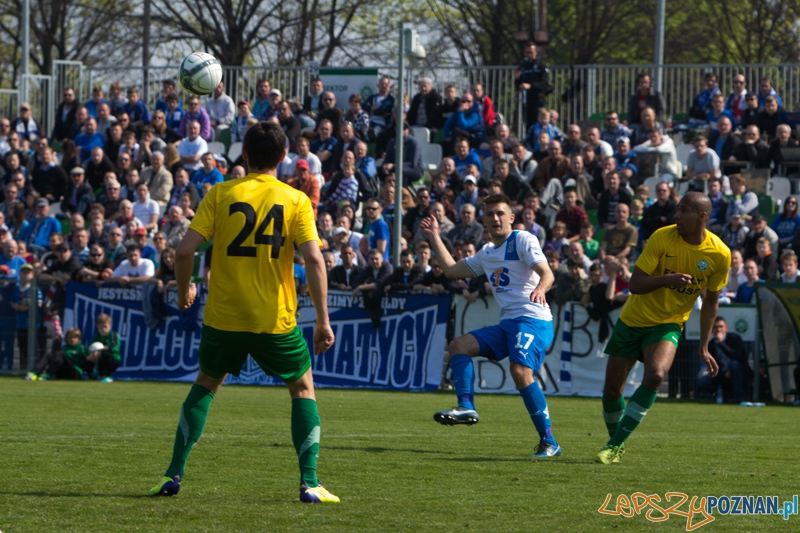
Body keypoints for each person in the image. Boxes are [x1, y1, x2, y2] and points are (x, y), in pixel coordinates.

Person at [148, 121, 338, 502]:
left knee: (205, 384)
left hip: (224, 317)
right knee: (302, 388)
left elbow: (184, 251)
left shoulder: (220, 193)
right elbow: (315, 260)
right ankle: (310, 482)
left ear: (245, 154)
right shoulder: (295, 199)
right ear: (284, 158)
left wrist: (185, 288)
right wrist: (322, 319)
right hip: (274, 319)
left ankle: (173, 474)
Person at [421, 193, 561, 457]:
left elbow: (547, 272)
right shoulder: (487, 253)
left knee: (520, 372)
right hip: (508, 324)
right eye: (489, 214)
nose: (495, 218)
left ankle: (549, 441)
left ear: (511, 218)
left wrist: (541, 288)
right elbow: (450, 270)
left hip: (533, 320)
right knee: (458, 345)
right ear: (483, 220)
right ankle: (465, 406)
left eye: (500, 213)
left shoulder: (522, 239)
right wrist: (434, 236)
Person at [595, 192, 731, 464]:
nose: (676, 216)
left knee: (656, 374)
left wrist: (704, 346)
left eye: (684, 211)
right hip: (633, 319)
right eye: (677, 209)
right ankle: (615, 443)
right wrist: (668, 279)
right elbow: (635, 284)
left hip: (668, 323)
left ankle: (615, 445)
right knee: (612, 391)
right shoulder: (661, 236)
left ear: (702, 217)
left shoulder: (720, 254)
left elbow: (712, 301)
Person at [697, 316, 751, 404]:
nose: (718, 330)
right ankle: (712, 399)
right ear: (711, 329)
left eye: (720, 327)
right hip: (720, 373)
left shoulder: (735, 338)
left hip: (737, 372)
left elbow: (736, 356)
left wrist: (721, 343)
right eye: (715, 327)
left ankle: (736, 399)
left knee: (734, 365)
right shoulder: (710, 344)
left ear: (726, 328)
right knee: (701, 381)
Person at [516, 42, 551, 132]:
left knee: (539, 124)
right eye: (527, 52)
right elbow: (517, 85)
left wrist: (531, 86)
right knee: (528, 126)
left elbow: (544, 84)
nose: (529, 55)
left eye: (531, 52)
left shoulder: (541, 65)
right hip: (526, 101)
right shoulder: (523, 66)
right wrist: (517, 79)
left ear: (536, 52)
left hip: (537, 100)